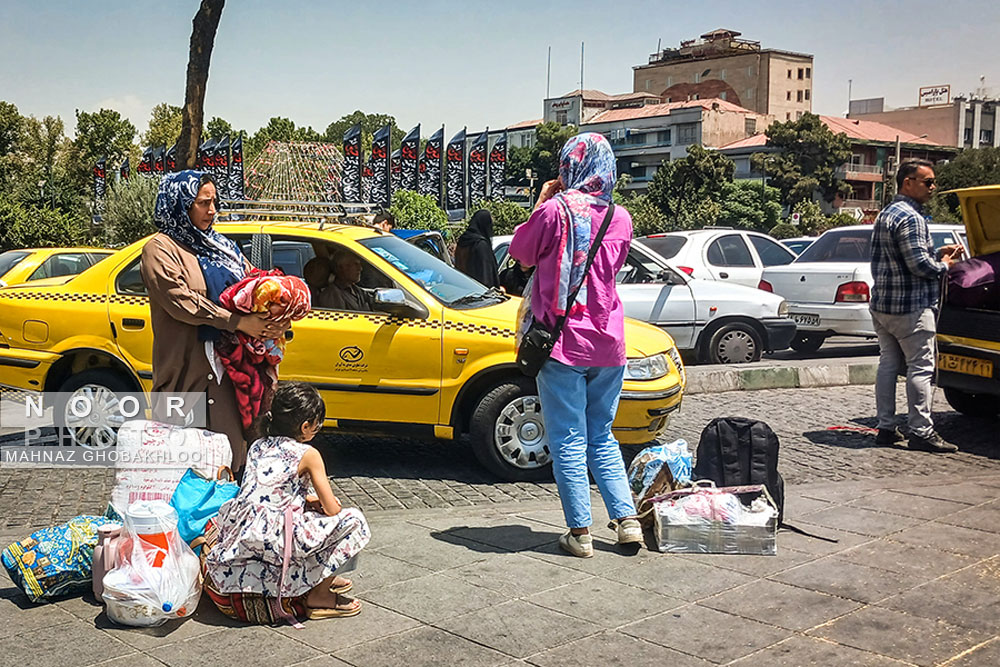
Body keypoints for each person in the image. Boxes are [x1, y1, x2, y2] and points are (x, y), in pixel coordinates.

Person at [508, 132, 642, 558]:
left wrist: (542, 202)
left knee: (567, 437)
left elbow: (521, 254)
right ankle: (626, 522)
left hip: (562, 341)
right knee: (602, 434)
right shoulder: (620, 216)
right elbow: (613, 269)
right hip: (609, 341)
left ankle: (580, 532)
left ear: (569, 166)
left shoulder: (554, 211)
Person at [141, 171, 285, 473]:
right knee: (185, 466)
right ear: (180, 205)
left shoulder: (223, 247)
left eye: (214, 202)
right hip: (187, 376)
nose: (212, 210)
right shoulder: (160, 249)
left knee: (230, 460)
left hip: (232, 375)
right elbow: (182, 302)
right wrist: (237, 322)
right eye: (203, 203)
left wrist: (274, 314)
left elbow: (252, 283)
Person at [206, 382, 370, 620]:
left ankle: (319, 577)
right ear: (305, 426)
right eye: (317, 425)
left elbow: (271, 492)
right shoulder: (308, 454)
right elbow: (333, 509)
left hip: (246, 533)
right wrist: (322, 504)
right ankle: (320, 595)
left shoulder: (258, 444)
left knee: (312, 515)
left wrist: (307, 499)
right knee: (353, 520)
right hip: (277, 540)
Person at [870, 159, 964, 453]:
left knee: (887, 365)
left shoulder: (886, 213)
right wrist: (944, 264)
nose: (933, 188)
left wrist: (937, 253)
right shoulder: (911, 217)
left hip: (883, 304)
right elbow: (919, 265)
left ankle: (885, 427)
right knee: (921, 368)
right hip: (910, 306)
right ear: (907, 182)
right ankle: (921, 431)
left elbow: (896, 258)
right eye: (928, 182)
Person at [455, 209, 501, 288]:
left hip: (462, 288)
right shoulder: (480, 245)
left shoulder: (463, 241)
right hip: (479, 293)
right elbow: (485, 276)